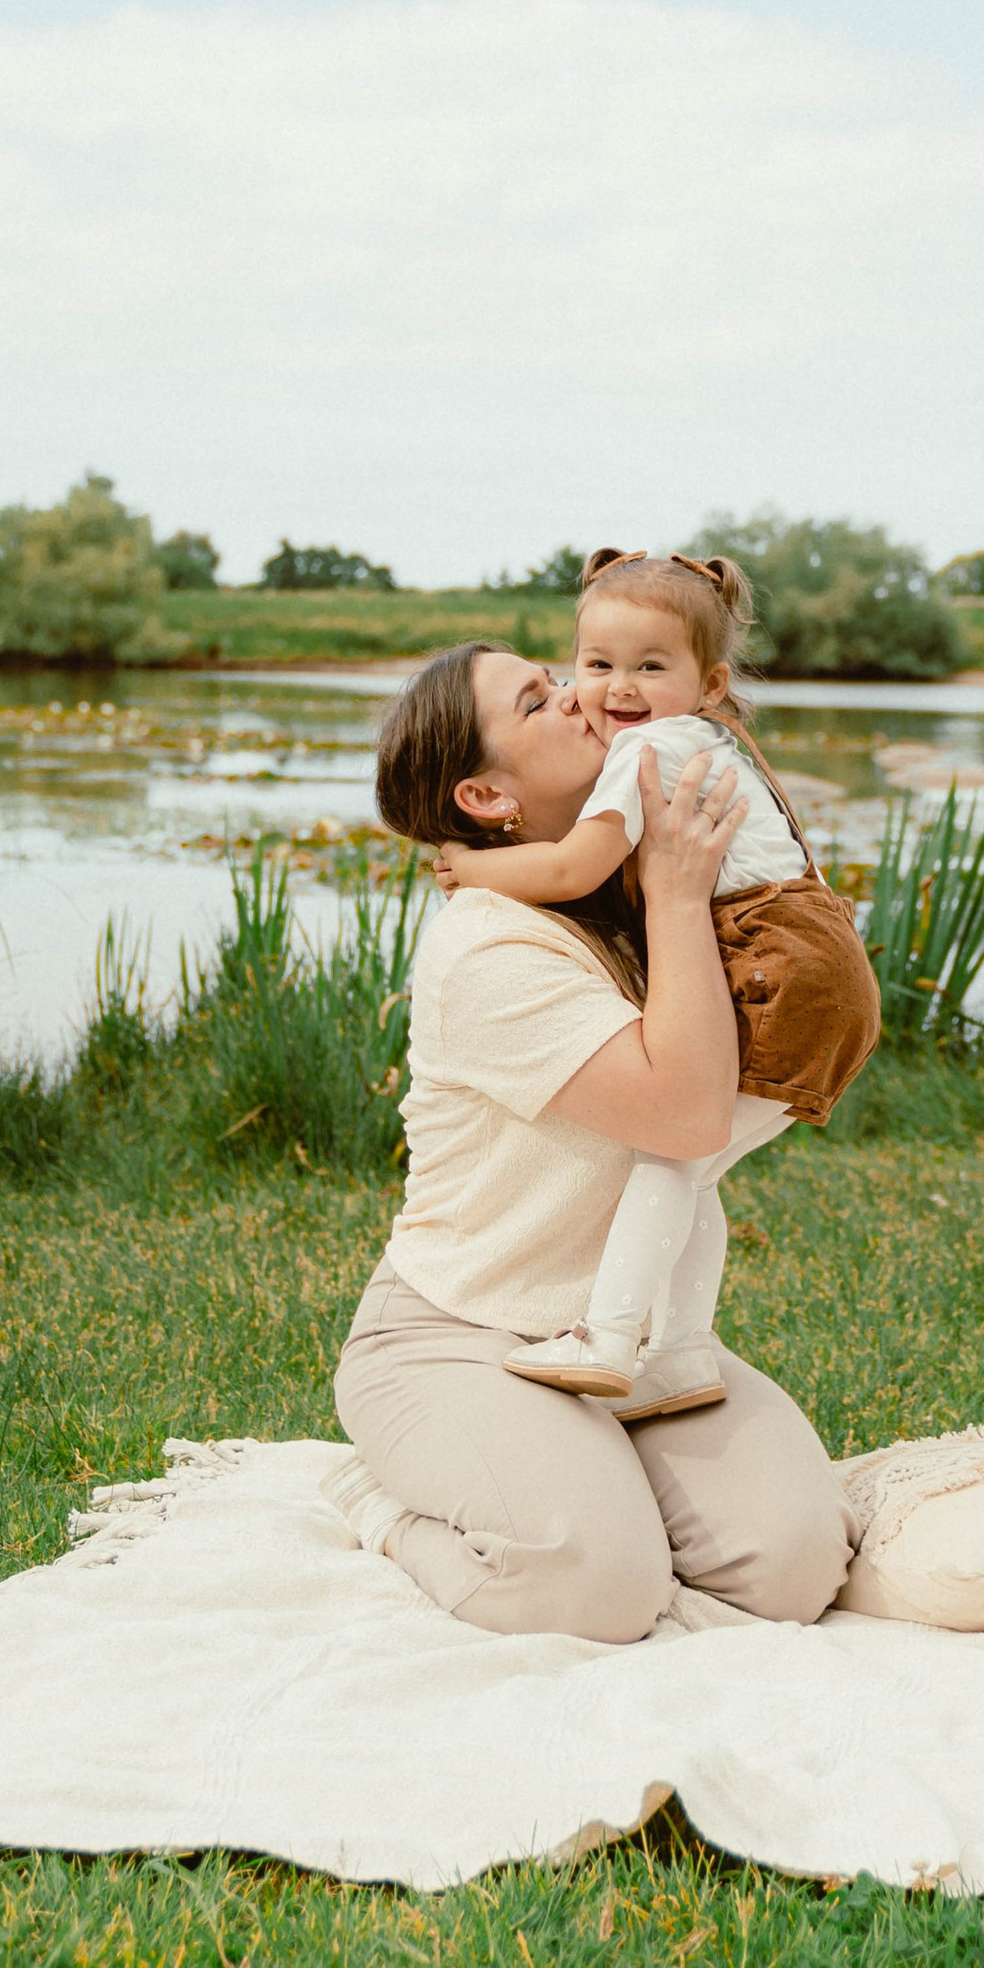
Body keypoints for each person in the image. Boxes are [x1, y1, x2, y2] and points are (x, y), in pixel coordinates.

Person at [325, 641, 853, 1646]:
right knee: (595, 1590)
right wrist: (676, 892)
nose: (578, 695)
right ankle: (380, 1504)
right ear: (487, 796)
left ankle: (589, 1465)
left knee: (793, 1568)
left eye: (553, 674)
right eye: (537, 701)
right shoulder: (490, 945)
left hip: (627, 1344)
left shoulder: (618, 883)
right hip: (461, 1335)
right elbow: (687, 1116)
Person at [430, 549, 880, 1416]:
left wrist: (473, 871)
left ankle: (610, 1335)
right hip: (818, 964)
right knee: (694, 1169)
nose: (614, 688)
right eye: (595, 665)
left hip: (780, 960)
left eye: (649, 666)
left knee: (673, 1153)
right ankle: (681, 1354)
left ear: (709, 684)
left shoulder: (646, 753)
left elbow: (572, 865)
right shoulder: (705, 736)